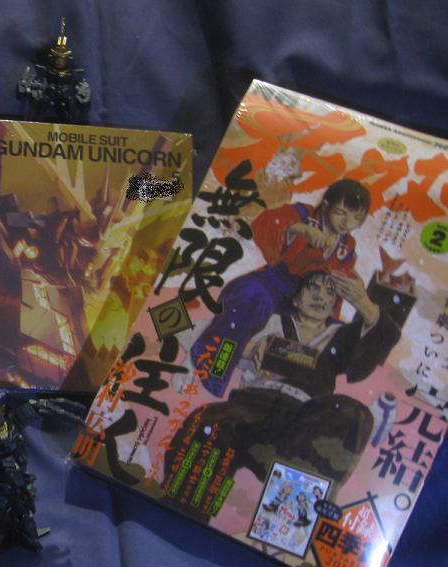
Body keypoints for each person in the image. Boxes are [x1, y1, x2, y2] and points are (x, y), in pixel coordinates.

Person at [163, 270, 401, 519]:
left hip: (302, 422)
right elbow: (207, 333)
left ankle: (290, 523)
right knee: (209, 423)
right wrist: (248, 348)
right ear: (295, 298)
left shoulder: (340, 336)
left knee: (353, 415)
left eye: (330, 292)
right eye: (313, 288)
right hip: (250, 409)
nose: (321, 297)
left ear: (334, 305)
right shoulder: (268, 319)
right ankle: (182, 516)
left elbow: (379, 344)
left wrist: (364, 304)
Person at [191, 178, 371, 396]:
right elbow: (264, 224)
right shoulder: (304, 214)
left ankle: (277, 392)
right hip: (273, 283)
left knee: (329, 338)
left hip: (304, 301)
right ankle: (214, 368)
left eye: (356, 218)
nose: (347, 222)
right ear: (326, 205)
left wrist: (328, 319)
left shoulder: (347, 247)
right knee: (253, 302)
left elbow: (335, 290)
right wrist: (298, 230)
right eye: (341, 213)